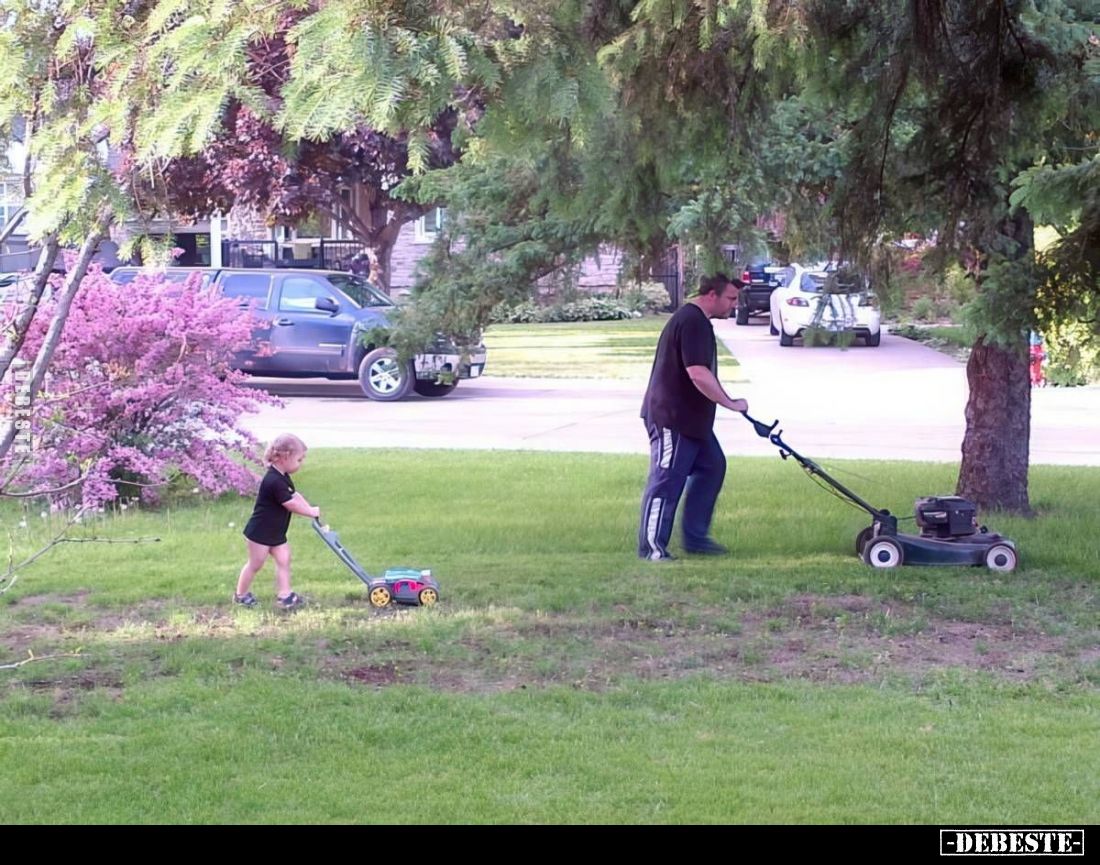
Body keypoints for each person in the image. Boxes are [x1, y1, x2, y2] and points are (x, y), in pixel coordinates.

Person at [638, 273, 749, 560]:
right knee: (666, 481)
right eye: (731, 298)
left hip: (693, 421)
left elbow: (701, 374)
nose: (734, 305)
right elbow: (698, 373)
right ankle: (652, 550)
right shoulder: (692, 321)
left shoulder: (699, 322)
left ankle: (696, 540)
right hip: (672, 418)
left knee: (712, 466)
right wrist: (730, 403)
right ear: (712, 295)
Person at [234, 433, 320, 609]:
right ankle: (240, 595)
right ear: (284, 457)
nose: (300, 464)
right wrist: (309, 511)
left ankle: (285, 595)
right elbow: (290, 504)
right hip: (260, 532)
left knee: (284, 560)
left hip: (276, 532)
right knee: (255, 564)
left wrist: (311, 509)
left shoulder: (283, 477)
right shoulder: (273, 480)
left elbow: (294, 495)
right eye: (299, 460)